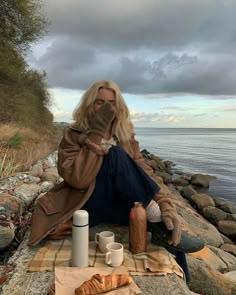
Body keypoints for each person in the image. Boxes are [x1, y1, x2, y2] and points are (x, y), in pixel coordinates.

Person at [28, 80, 204, 283]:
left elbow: (143, 172)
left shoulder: (125, 135)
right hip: (88, 203)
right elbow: (78, 180)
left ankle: (185, 281)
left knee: (168, 227)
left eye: (111, 103)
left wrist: (165, 203)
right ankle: (157, 219)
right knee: (116, 155)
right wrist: (95, 134)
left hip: (120, 204)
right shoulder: (73, 135)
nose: (106, 108)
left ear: (118, 106)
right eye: (99, 102)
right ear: (89, 105)